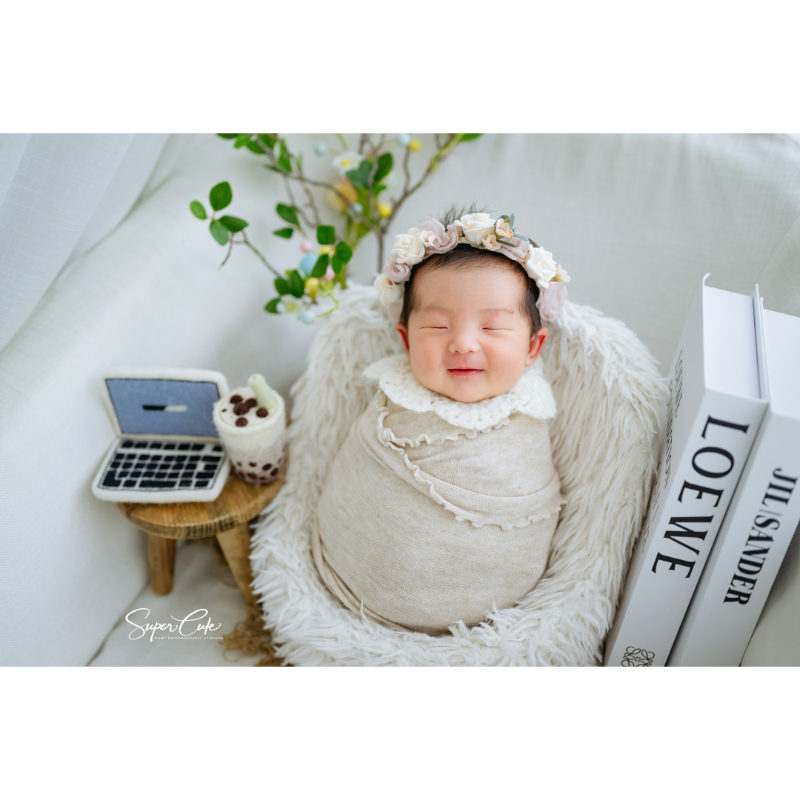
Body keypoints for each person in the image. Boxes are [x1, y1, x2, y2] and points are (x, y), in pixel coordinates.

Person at [312, 207, 570, 635]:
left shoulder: (529, 415)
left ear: (532, 347)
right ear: (405, 340)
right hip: (350, 586)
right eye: (437, 326)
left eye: (492, 327)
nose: (463, 344)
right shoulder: (393, 395)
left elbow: (526, 500)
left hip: (488, 613)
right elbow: (356, 483)